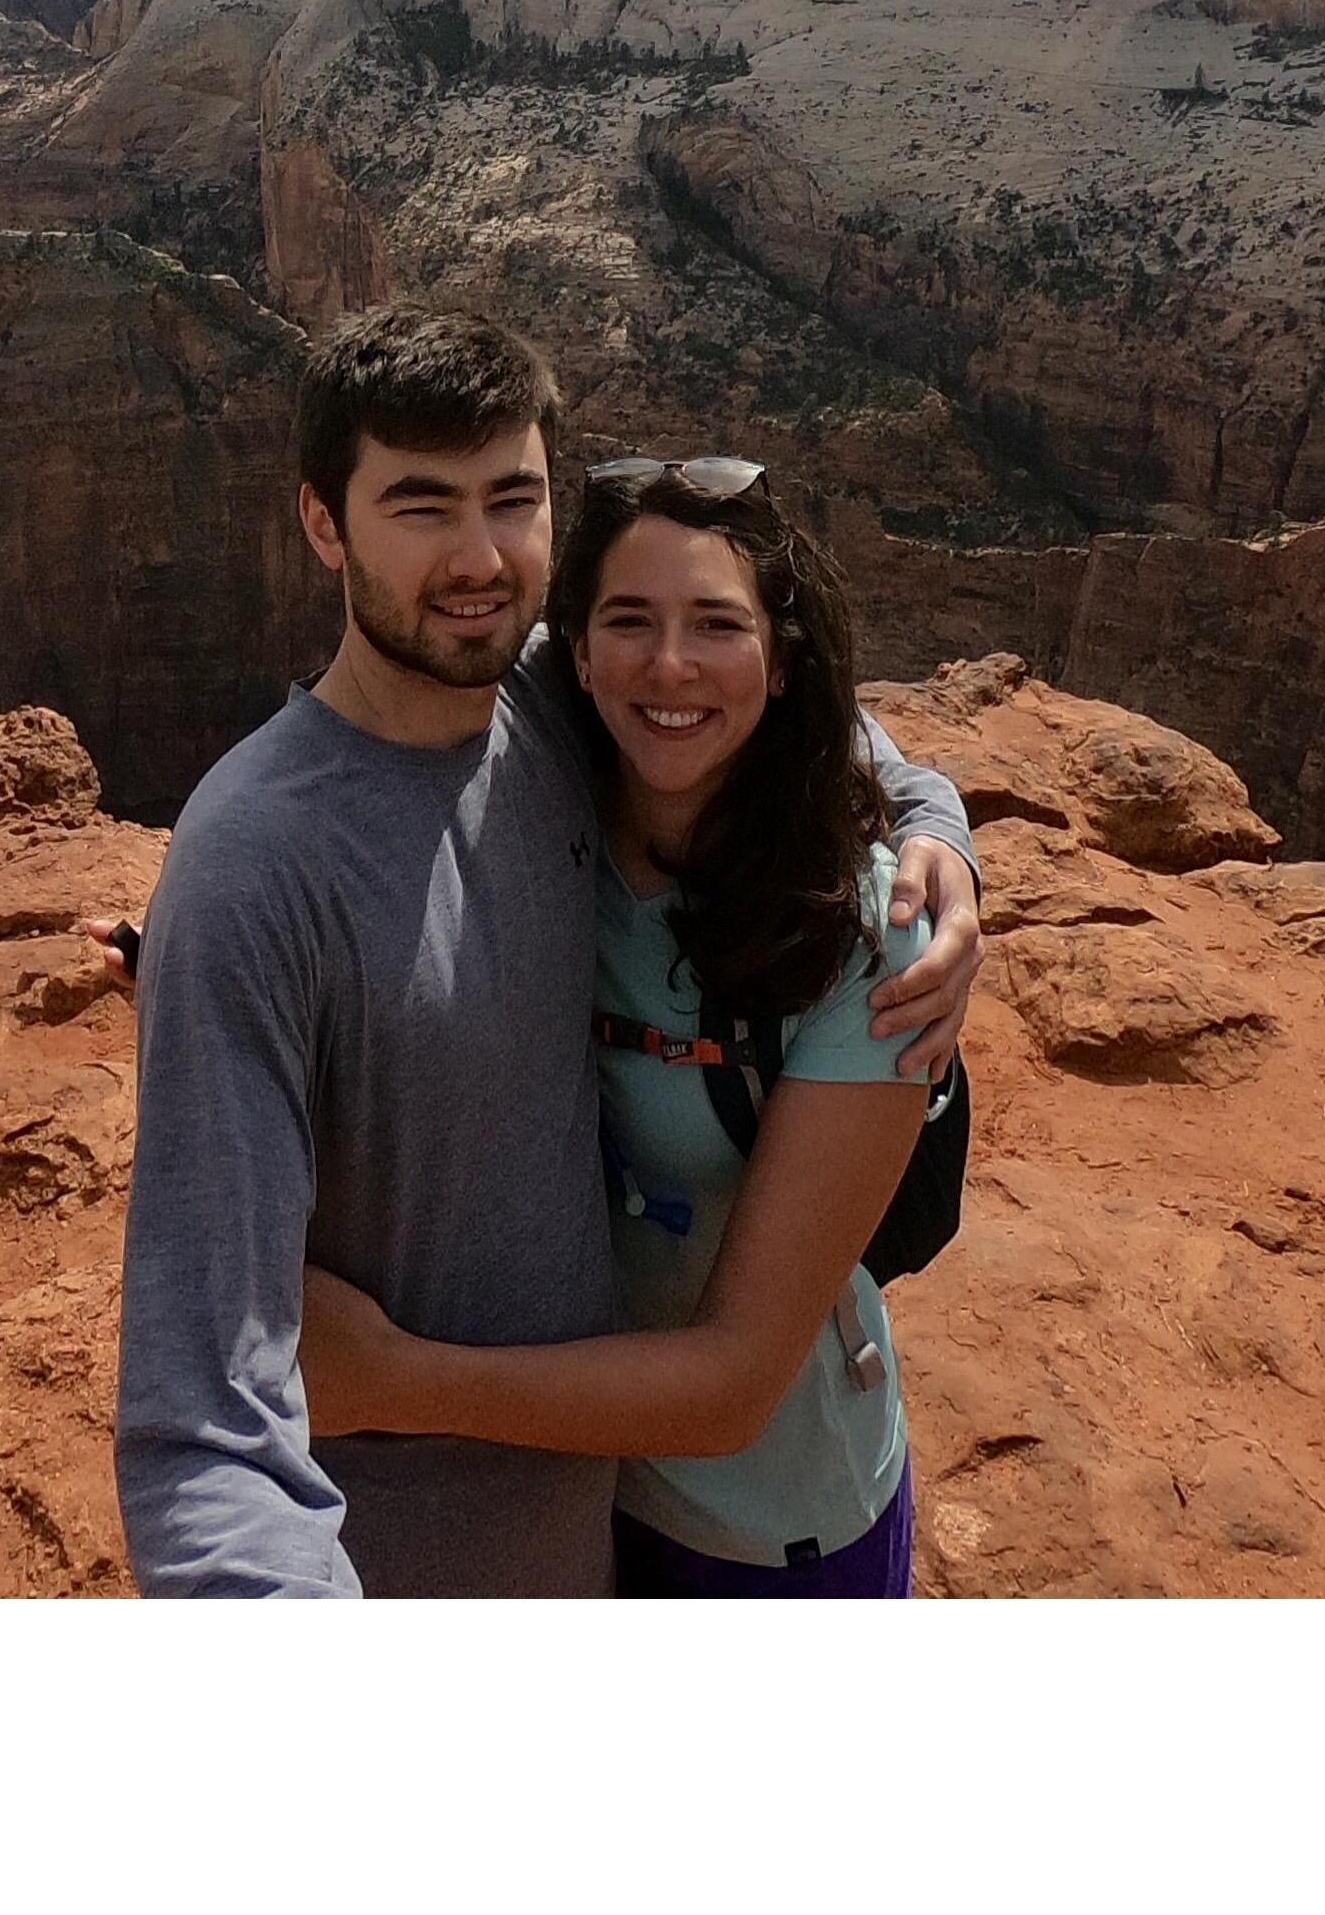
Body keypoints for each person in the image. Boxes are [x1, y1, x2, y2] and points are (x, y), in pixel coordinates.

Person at [113, 307, 981, 1597]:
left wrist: (935, 824)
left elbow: (762, 702)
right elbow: (203, 1423)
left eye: (510, 499)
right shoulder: (249, 867)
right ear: (320, 522)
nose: (476, 556)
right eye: (418, 506)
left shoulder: (544, 703)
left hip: (627, 1529)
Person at [294, 457, 935, 1595]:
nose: (669, 665)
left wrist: (389, 1379)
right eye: (628, 621)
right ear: (573, 653)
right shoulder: (533, 806)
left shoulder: (864, 936)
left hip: (767, 1531)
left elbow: (733, 1387)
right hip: (553, 1508)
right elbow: (359, 770)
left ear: (781, 659)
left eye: (718, 625)